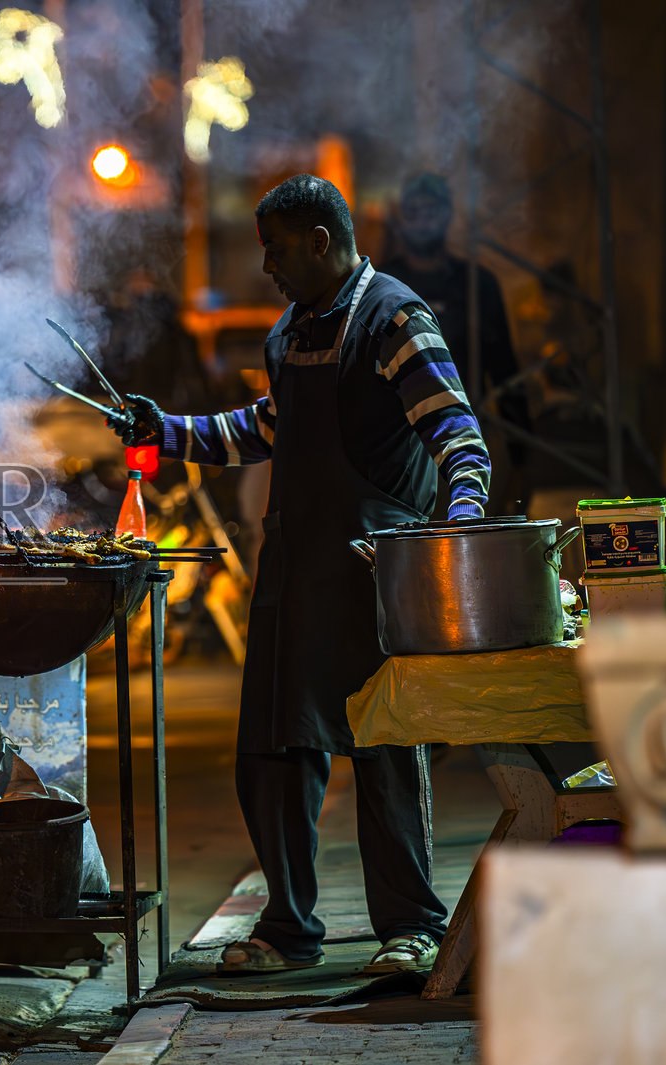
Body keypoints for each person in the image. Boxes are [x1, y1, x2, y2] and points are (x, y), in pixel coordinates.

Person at [109, 174, 491, 975]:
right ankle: (288, 930)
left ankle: (412, 928)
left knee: (386, 753)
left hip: (375, 575)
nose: (267, 268)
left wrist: (453, 532)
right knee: (273, 754)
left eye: (276, 250)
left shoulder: (395, 319)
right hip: (292, 573)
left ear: (319, 241)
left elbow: (459, 437)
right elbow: (265, 429)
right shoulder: (289, 331)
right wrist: (166, 431)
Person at [380, 172, 531, 510]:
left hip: (464, 436)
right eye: (414, 211)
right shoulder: (383, 284)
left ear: (448, 214)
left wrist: (521, 457)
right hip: (399, 446)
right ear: (401, 217)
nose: (423, 222)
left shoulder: (476, 283)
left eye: (431, 210)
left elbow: (505, 368)